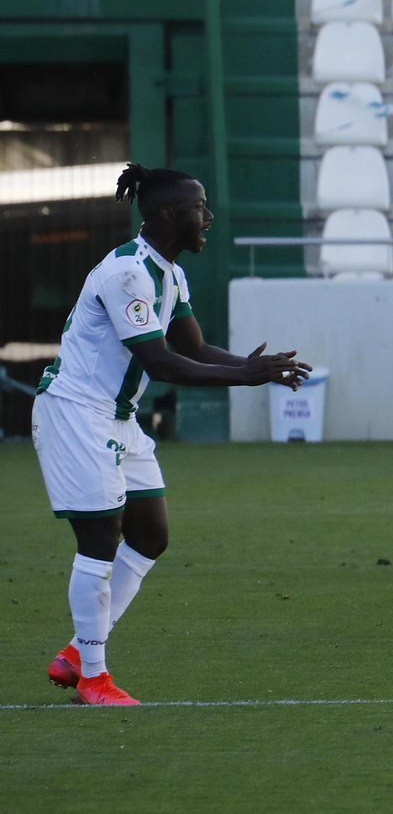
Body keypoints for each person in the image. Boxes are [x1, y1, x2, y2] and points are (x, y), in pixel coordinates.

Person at [34, 164, 310, 705]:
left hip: (117, 417)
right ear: (164, 215)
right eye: (198, 208)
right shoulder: (127, 274)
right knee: (99, 541)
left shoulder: (171, 273)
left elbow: (195, 348)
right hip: (77, 414)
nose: (207, 217)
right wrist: (242, 377)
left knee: (151, 535)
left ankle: (75, 653)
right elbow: (160, 363)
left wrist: (259, 369)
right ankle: (92, 677)